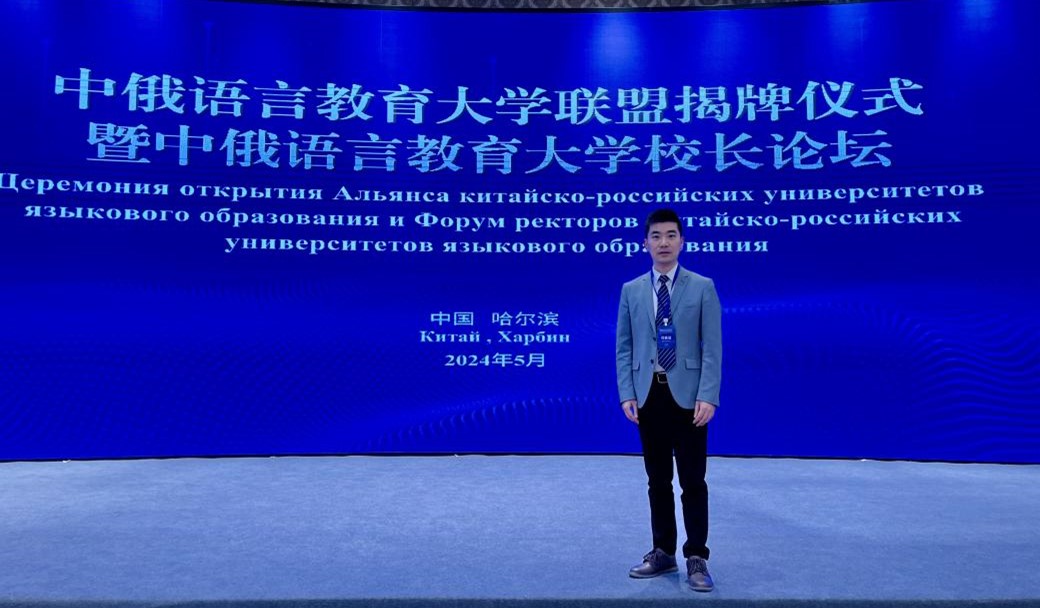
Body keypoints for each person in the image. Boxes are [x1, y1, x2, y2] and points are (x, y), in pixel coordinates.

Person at [615, 208, 722, 592]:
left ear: (682, 241)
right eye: (656, 236)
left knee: (693, 480)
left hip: (689, 396)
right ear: (645, 243)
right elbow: (624, 346)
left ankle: (696, 557)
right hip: (649, 393)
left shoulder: (702, 286)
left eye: (671, 235)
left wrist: (708, 394)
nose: (664, 243)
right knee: (657, 479)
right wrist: (627, 392)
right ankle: (663, 551)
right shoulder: (631, 290)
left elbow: (713, 347)